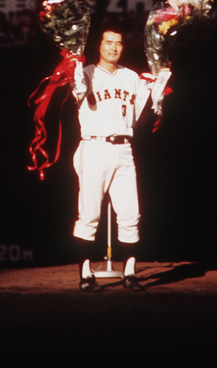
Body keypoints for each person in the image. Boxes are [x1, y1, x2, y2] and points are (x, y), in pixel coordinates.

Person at [72, 27, 152, 292]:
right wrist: (73, 62)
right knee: (89, 215)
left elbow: (140, 119)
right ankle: (85, 275)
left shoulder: (132, 77)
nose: (114, 47)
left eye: (118, 43)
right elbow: (76, 94)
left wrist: (157, 89)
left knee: (131, 214)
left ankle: (129, 273)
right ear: (99, 46)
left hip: (124, 148)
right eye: (108, 42)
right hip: (94, 146)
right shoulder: (85, 73)